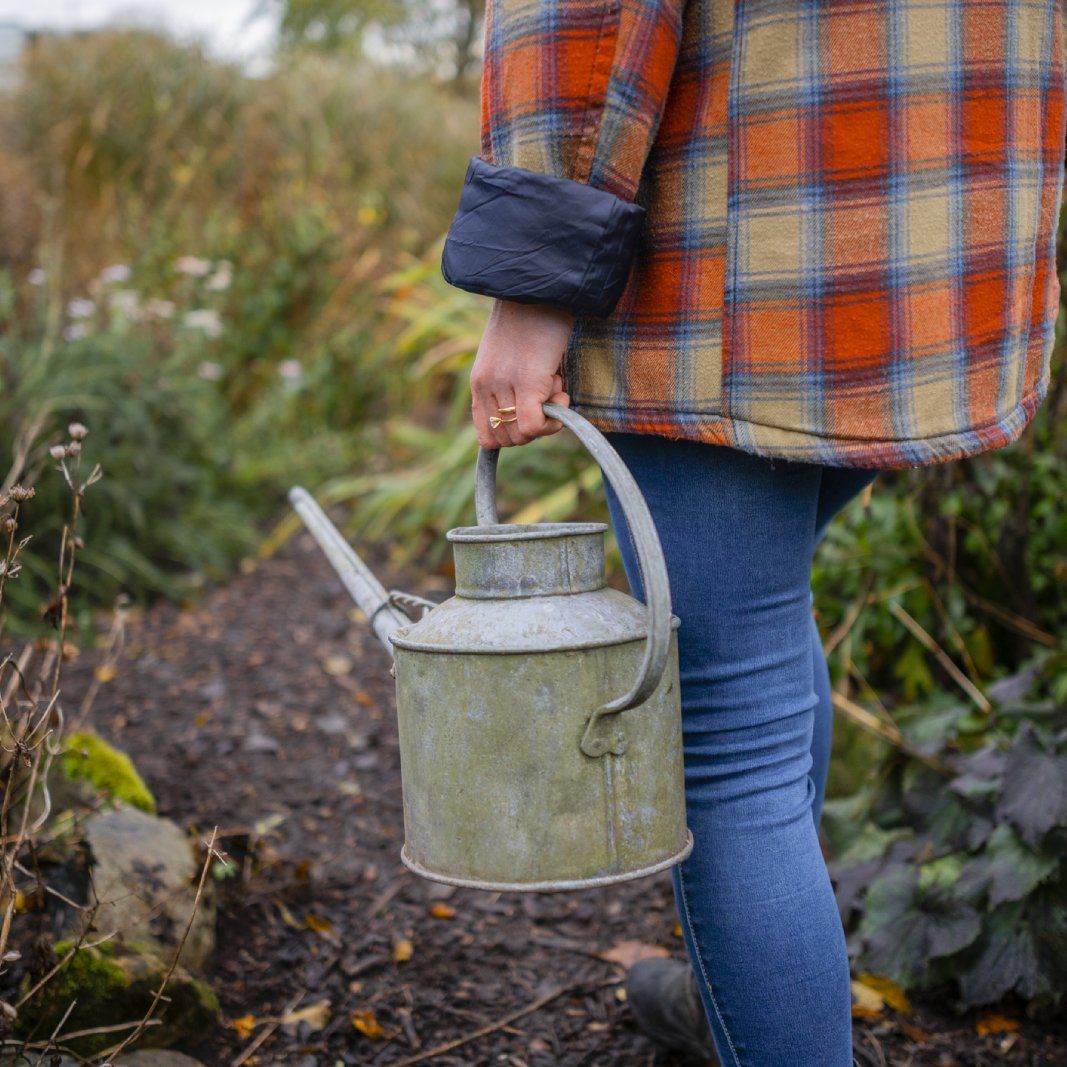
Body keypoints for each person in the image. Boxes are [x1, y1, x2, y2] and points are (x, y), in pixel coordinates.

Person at [439, 2, 1066, 1064]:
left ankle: (768, 1012)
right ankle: (738, 987)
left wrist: (531, 279)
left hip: (744, 228)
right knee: (758, 632)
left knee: (725, 727)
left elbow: (581, 17)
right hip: (940, 206)